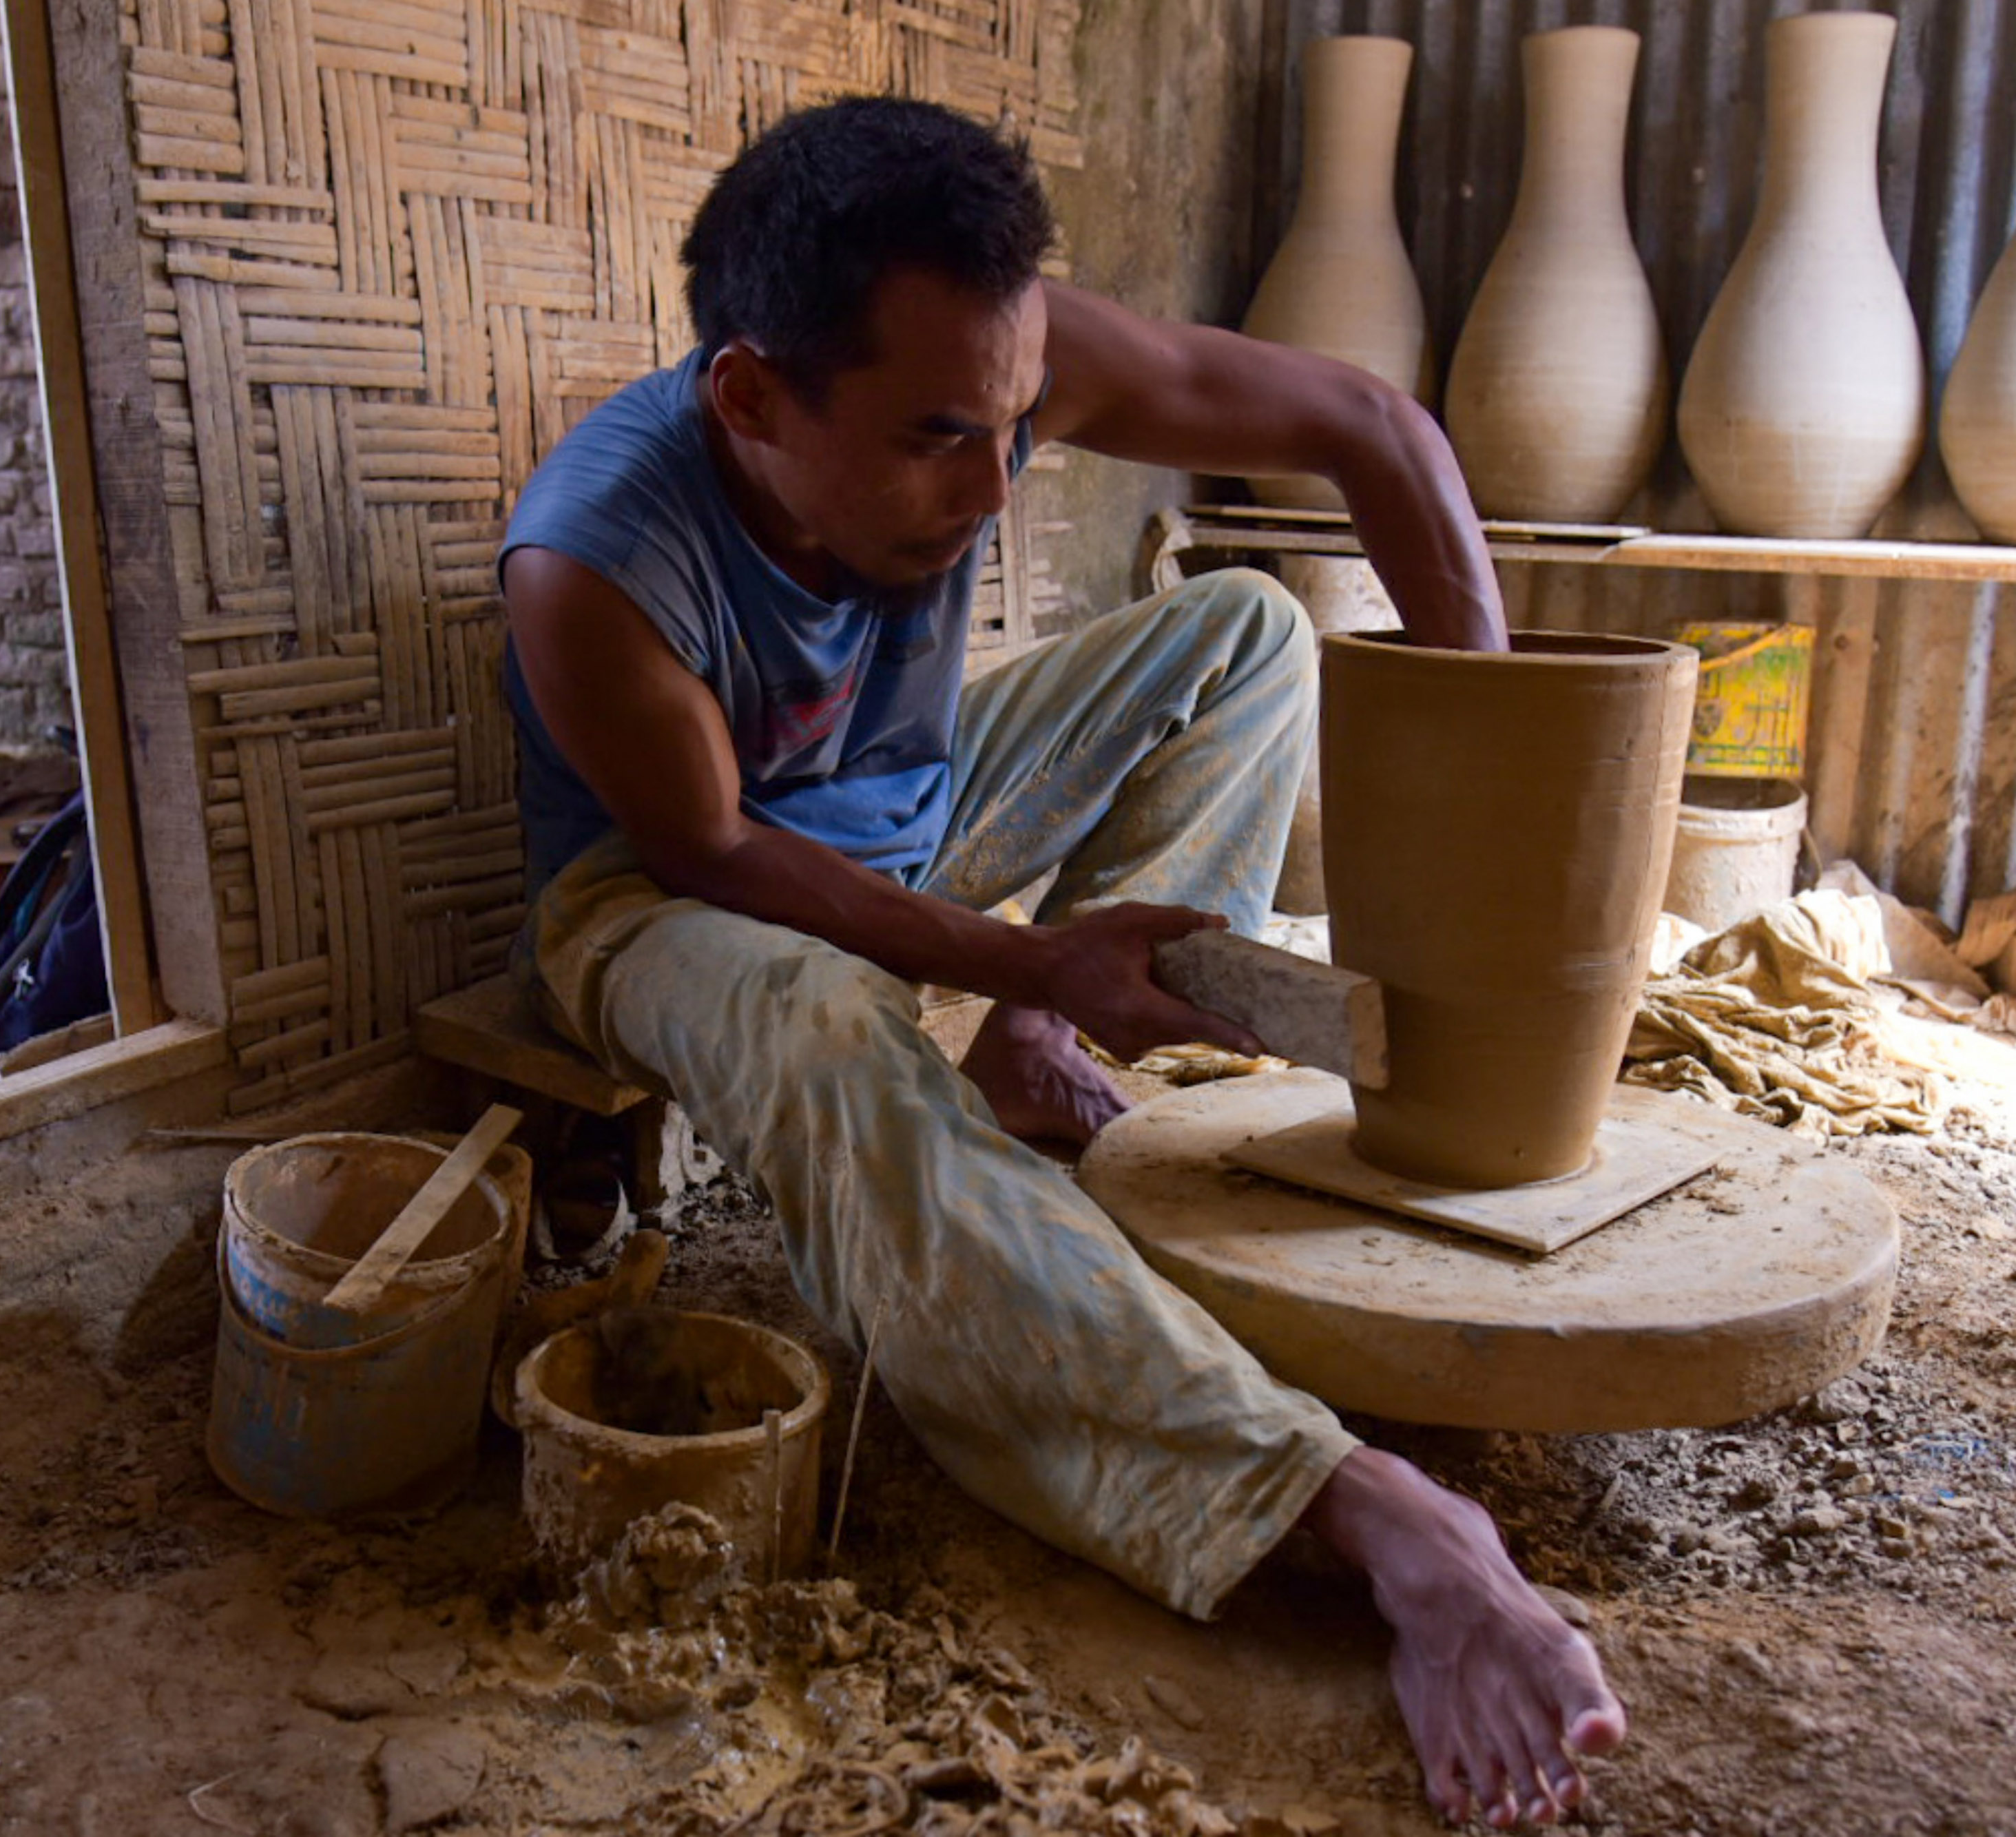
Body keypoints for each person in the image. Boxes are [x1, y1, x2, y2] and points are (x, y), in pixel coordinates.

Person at [500, 97, 1623, 1827]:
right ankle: (1345, 1506)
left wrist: (1503, 756)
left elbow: (1370, 423)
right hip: (666, 899)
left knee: (1244, 629)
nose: (994, 484)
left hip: (915, 806)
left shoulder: (992, 367)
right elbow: (713, 850)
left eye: (1018, 425)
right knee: (820, 1022)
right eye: (938, 437)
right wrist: (1029, 961)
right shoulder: (592, 561)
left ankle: (1037, 1064)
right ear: (747, 397)